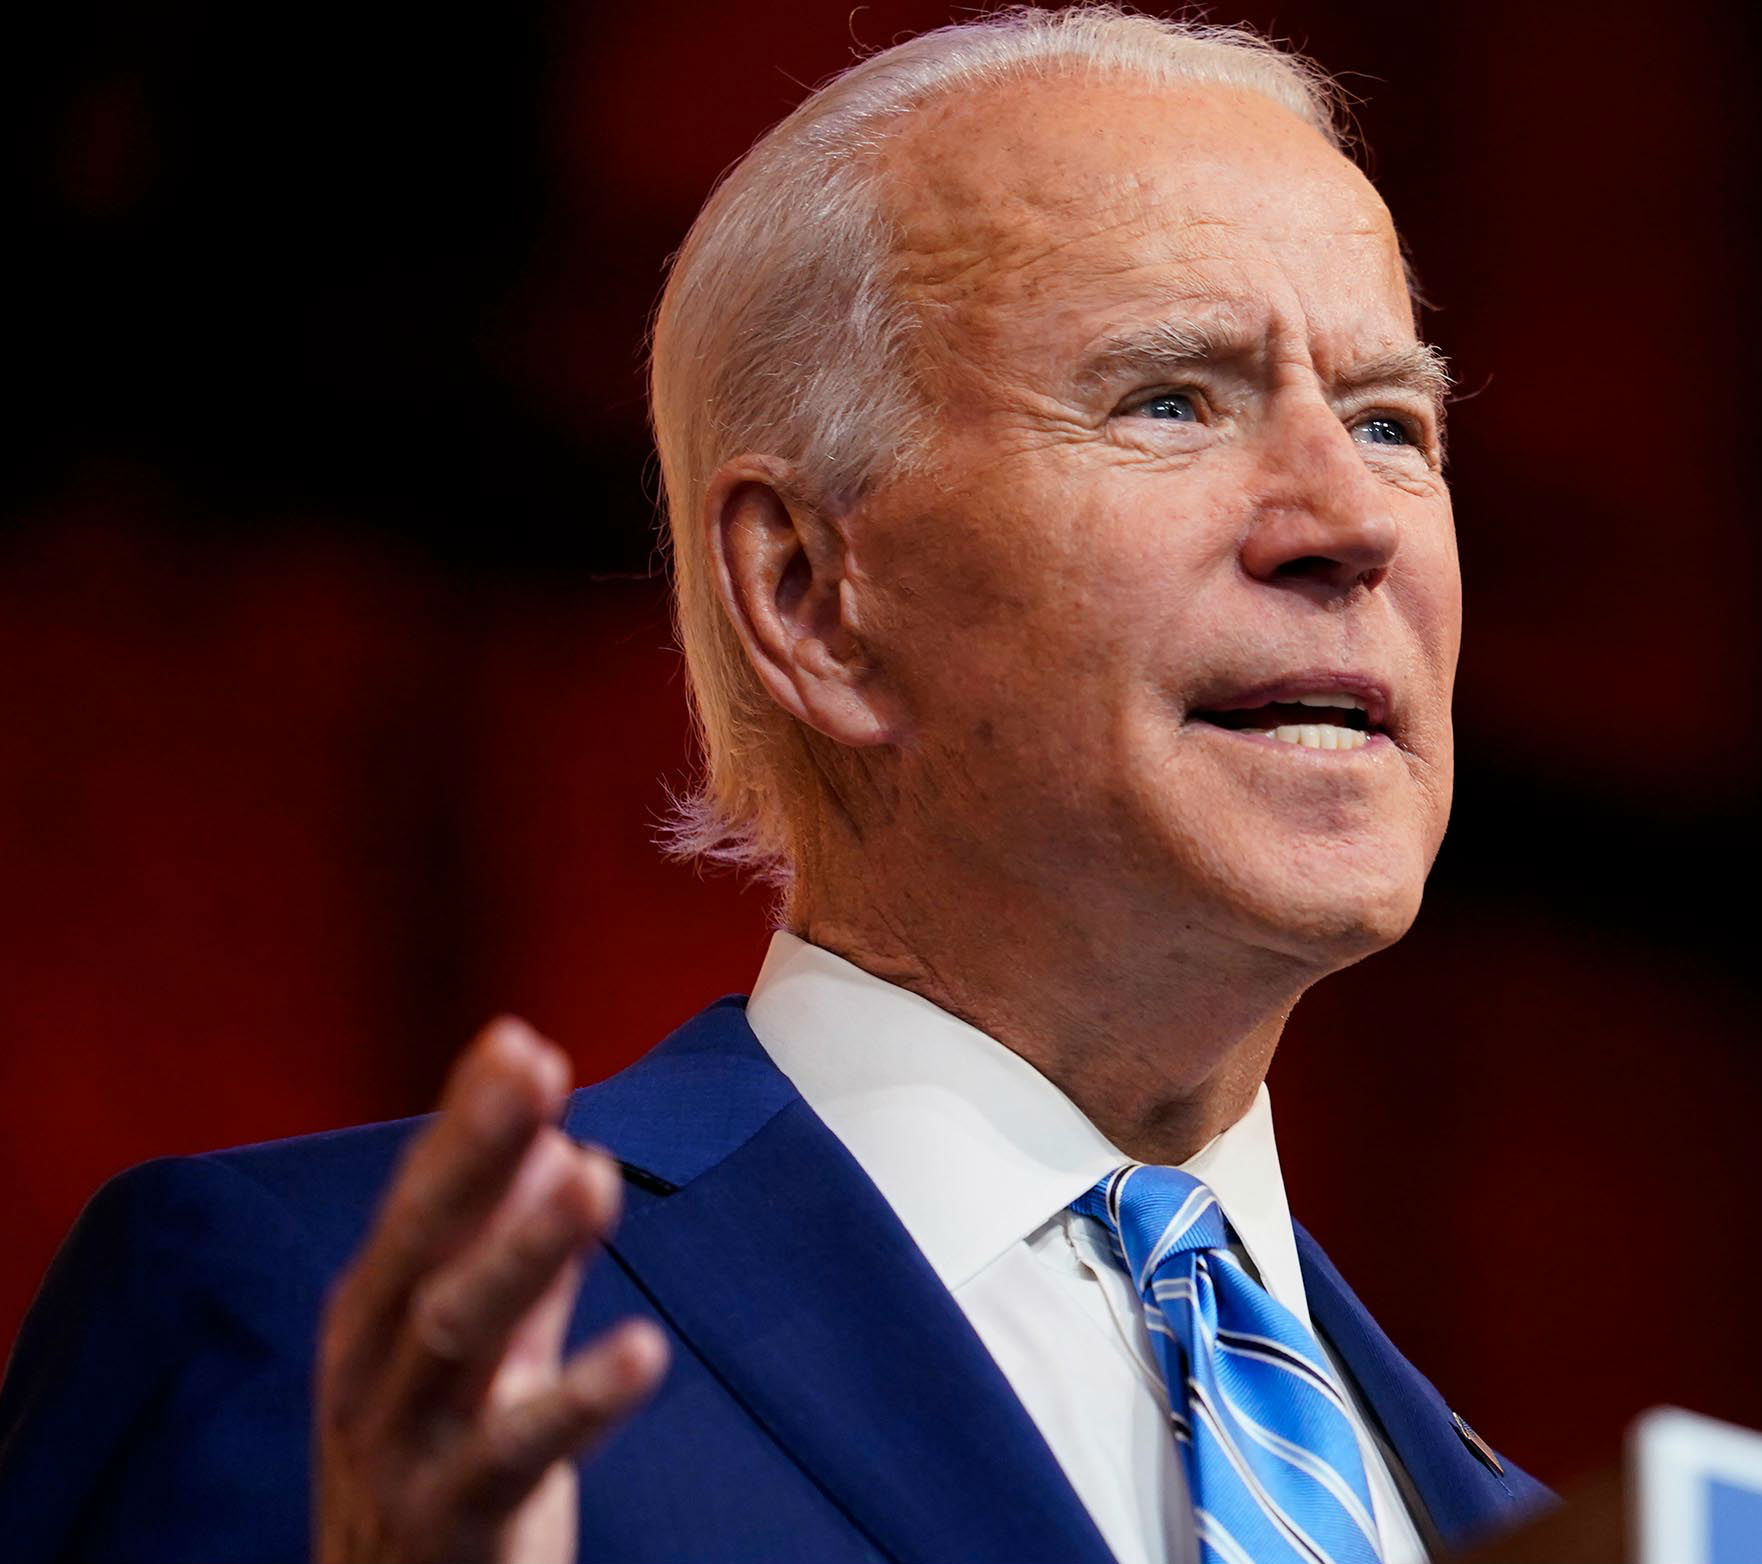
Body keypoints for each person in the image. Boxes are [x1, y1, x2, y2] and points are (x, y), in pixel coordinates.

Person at [0, 9, 1553, 1561]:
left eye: (1389, 423)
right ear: (810, 595)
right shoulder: (334, 1329)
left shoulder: (1546, 1529)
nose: (1353, 522)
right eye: (1171, 402)